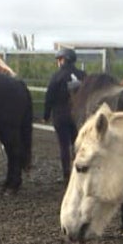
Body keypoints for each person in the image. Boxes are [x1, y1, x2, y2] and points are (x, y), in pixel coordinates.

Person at [43, 47, 86, 181]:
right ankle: (81, 170)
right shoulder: (83, 75)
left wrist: (46, 115)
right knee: (78, 144)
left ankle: (67, 175)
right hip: (78, 115)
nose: (58, 62)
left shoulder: (57, 76)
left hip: (61, 115)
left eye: (59, 59)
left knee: (64, 146)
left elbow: (49, 96)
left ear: (63, 60)